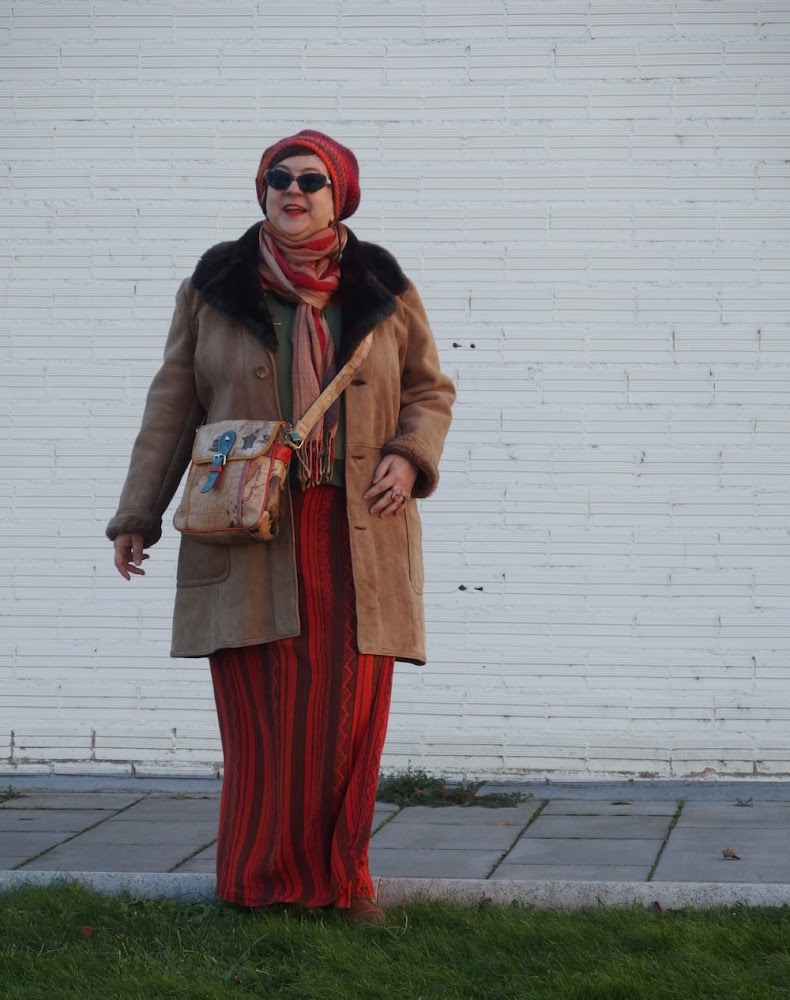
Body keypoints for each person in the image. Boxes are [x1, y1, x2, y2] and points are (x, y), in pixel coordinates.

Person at [107, 129, 455, 924]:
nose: (292, 191)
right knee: (264, 717)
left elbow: (429, 391)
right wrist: (137, 515)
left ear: (340, 197)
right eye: (278, 177)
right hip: (250, 531)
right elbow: (172, 407)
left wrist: (410, 457)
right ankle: (261, 884)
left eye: (311, 180)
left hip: (357, 532)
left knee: (347, 718)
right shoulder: (215, 288)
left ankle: (341, 881)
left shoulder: (385, 287)